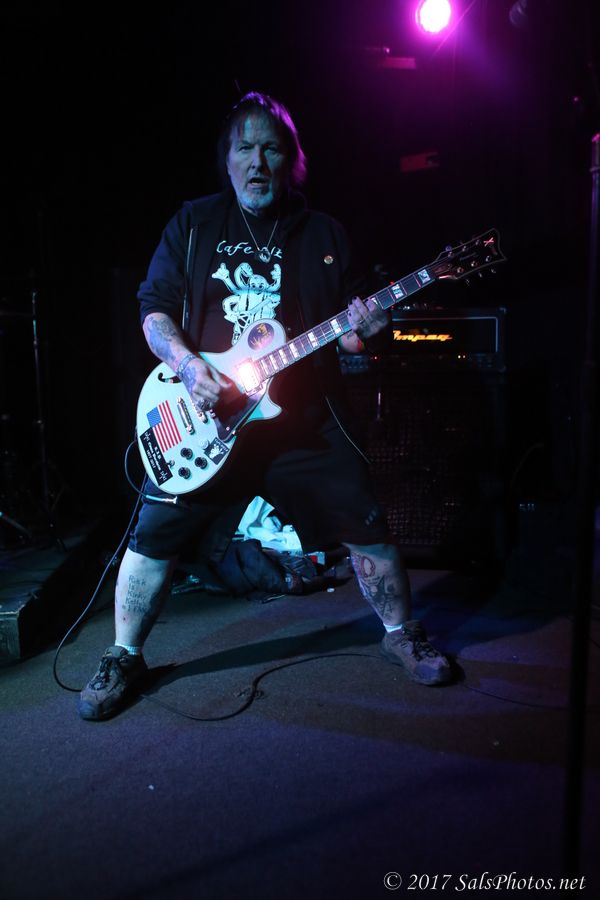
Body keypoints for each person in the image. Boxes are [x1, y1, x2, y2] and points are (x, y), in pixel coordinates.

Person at [79, 91, 452, 721]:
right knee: (153, 533)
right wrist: (188, 365)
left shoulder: (324, 234)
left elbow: (353, 332)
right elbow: (154, 311)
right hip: (207, 417)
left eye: (272, 149)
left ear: (291, 160)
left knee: (367, 521)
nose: (258, 162)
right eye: (245, 148)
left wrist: (370, 326)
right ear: (227, 159)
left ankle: (401, 634)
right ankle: (123, 655)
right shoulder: (194, 225)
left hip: (303, 420)